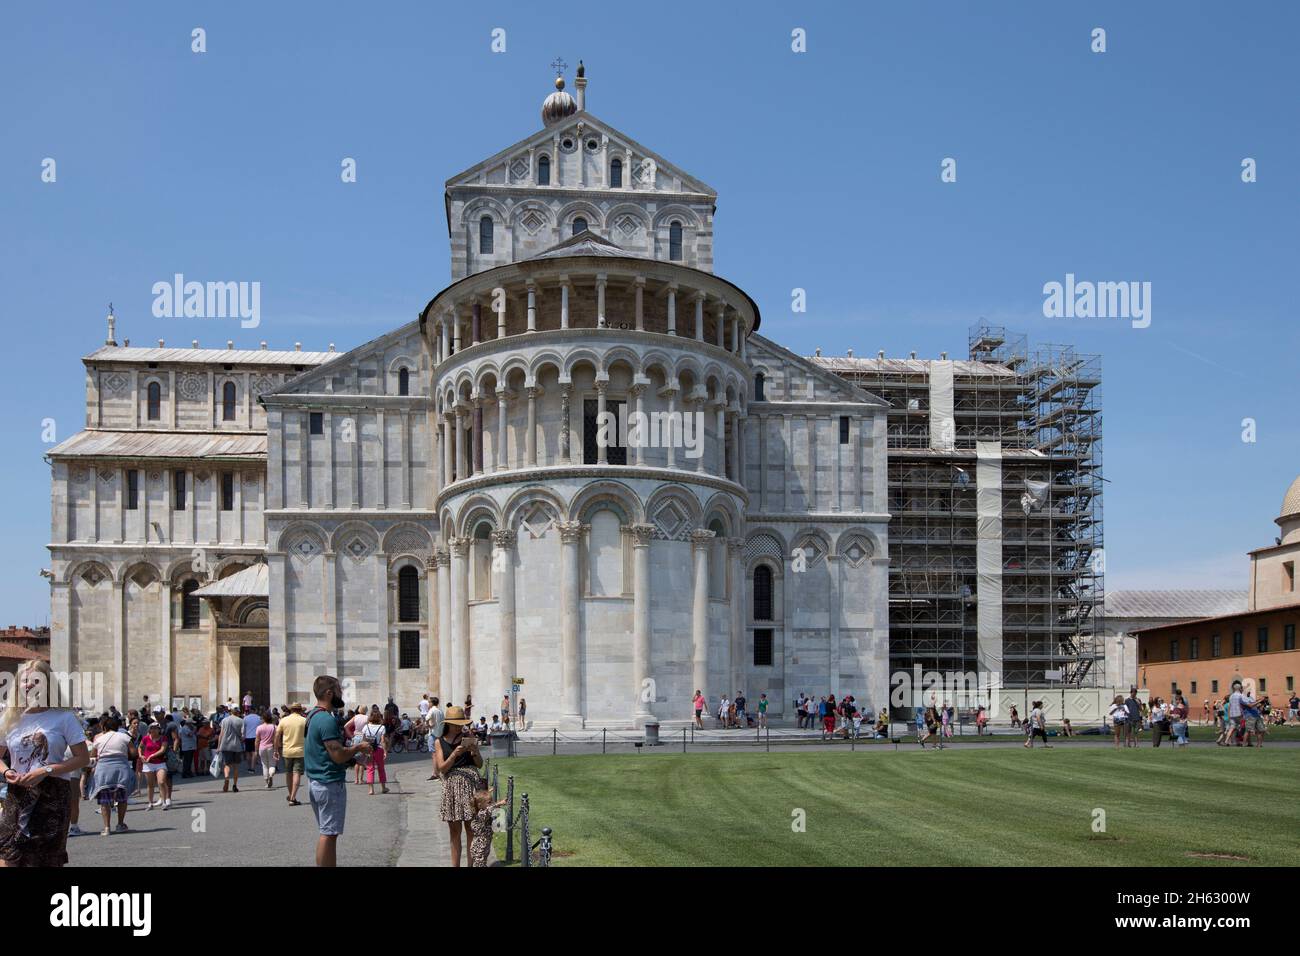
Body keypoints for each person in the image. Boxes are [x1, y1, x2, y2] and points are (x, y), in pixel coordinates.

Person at [0, 658, 91, 867]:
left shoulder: (63, 717)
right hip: (17, 792)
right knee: (8, 854)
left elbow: (82, 758)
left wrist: (47, 769)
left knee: (44, 858)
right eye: (25, 681)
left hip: (52, 795)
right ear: (18, 685)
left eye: (36, 681)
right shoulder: (9, 717)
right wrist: (6, 772)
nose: (30, 685)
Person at [305, 676, 371, 867]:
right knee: (329, 834)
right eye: (339, 690)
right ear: (329, 693)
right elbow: (337, 754)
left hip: (317, 780)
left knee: (327, 833)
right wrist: (358, 749)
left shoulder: (312, 716)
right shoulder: (326, 719)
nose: (341, 693)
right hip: (328, 782)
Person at [433, 705, 484, 868]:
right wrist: (455, 754)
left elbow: (480, 764)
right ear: (448, 724)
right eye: (456, 724)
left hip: (470, 785)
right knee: (454, 833)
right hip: (452, 788)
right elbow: (441, 768)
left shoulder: (468, 737)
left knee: (471, 830)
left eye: (461, 723)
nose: (459, 726)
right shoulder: (439, 742)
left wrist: (475, 751)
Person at [89, 716, 135, 835]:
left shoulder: (99, 739)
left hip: (104, 770)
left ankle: (106, 828)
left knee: (104, 799)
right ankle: (120, 824)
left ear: (104, 727)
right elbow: (134, 753)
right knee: (121, 798)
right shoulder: (125, 736)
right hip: (121, 768)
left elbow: (93, 756)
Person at [275, 702, 308, 806]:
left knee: (288, 773)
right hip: (300, 750)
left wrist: (276, 749)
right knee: (297, 773)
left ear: (291, 710)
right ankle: (292, 797)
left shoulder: (284, 720)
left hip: (287, 751)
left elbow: (277, 735)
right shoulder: (304, 720)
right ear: (300, 710)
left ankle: (291, 795)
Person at [467, 787, 507, 868]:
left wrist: (488, 793)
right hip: (479, 847)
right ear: (480, 805)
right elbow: (489, 810)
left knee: (483, 862)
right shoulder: (481, 815)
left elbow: (490, 809)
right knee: (480, 864)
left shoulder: (483, 812)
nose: (491, 803)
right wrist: (499, 803)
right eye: (489, 802)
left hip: (484, 845)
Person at [139, 722, 173, 809]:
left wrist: (152, 755)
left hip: (160, 763)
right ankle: (150, 803)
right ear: (149, 729)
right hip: (148, 764)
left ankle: (164, 802)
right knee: (150, 784)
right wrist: (140, 755)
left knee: (161, 782)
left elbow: (163, 749)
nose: (153, 730)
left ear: (159, 730)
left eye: (156, 728)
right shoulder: (146, 738)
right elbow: (140, 747)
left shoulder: (163, 738)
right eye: (152, 728)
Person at [360, 707, 389, 796]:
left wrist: (363, 750)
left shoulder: (366, 727)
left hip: (369, 749)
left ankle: (371, 789)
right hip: (379, 749)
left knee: (370, 768)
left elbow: (363, 739)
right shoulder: (382, 727)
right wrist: (385, 751)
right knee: (381, 768)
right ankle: (383, 787)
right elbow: (383, 740)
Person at [218, 706, 245, 792]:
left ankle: (226, 778)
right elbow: (243, 735)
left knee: (227, 765)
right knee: (236, 766)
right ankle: (235, 785)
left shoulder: (224, 720)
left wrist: (219, 746)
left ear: (231, 712)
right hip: (236, 746)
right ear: (238, 713)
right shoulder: (241, 721)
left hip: (225, 745)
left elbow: (221, 734)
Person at [255, 710, 278, 788]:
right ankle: (271, 775)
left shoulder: (259, 727)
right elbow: (276, 739)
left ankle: (266, 781)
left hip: (262, 747)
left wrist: (256, 750)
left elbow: (257, 740)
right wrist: (276, 749)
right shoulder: (274, 727)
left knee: (264, 765)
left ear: (263, 719)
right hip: (271, 747)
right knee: (272, 764)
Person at [426, 696, 445, 781]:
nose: (428, 704)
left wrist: (429, 725)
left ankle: (435, 773)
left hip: (433, 734)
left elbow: (427, 718)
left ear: (432, 703)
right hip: (440, 734)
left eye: (429, 702)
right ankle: (440, 772)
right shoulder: (440, 711)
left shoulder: (432, 710)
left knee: (434, 755)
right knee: (439, 754)